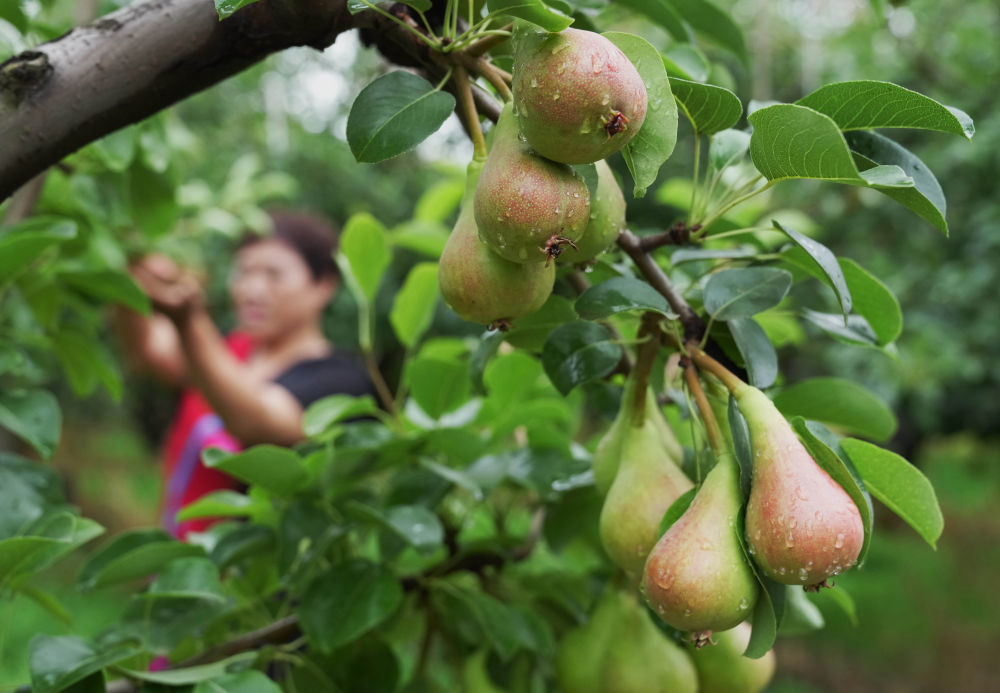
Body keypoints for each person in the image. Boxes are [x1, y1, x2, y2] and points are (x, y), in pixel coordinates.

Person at [115, 211, 376, 539]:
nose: (252, 289)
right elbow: (154, 354)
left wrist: (189, 320)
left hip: (252, 582)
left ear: (323, 284)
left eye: (273, 274)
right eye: (244, 271)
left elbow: (254, 422)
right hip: (180, 560)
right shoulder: (233, 350)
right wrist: (128, 279)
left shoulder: (339, 381)